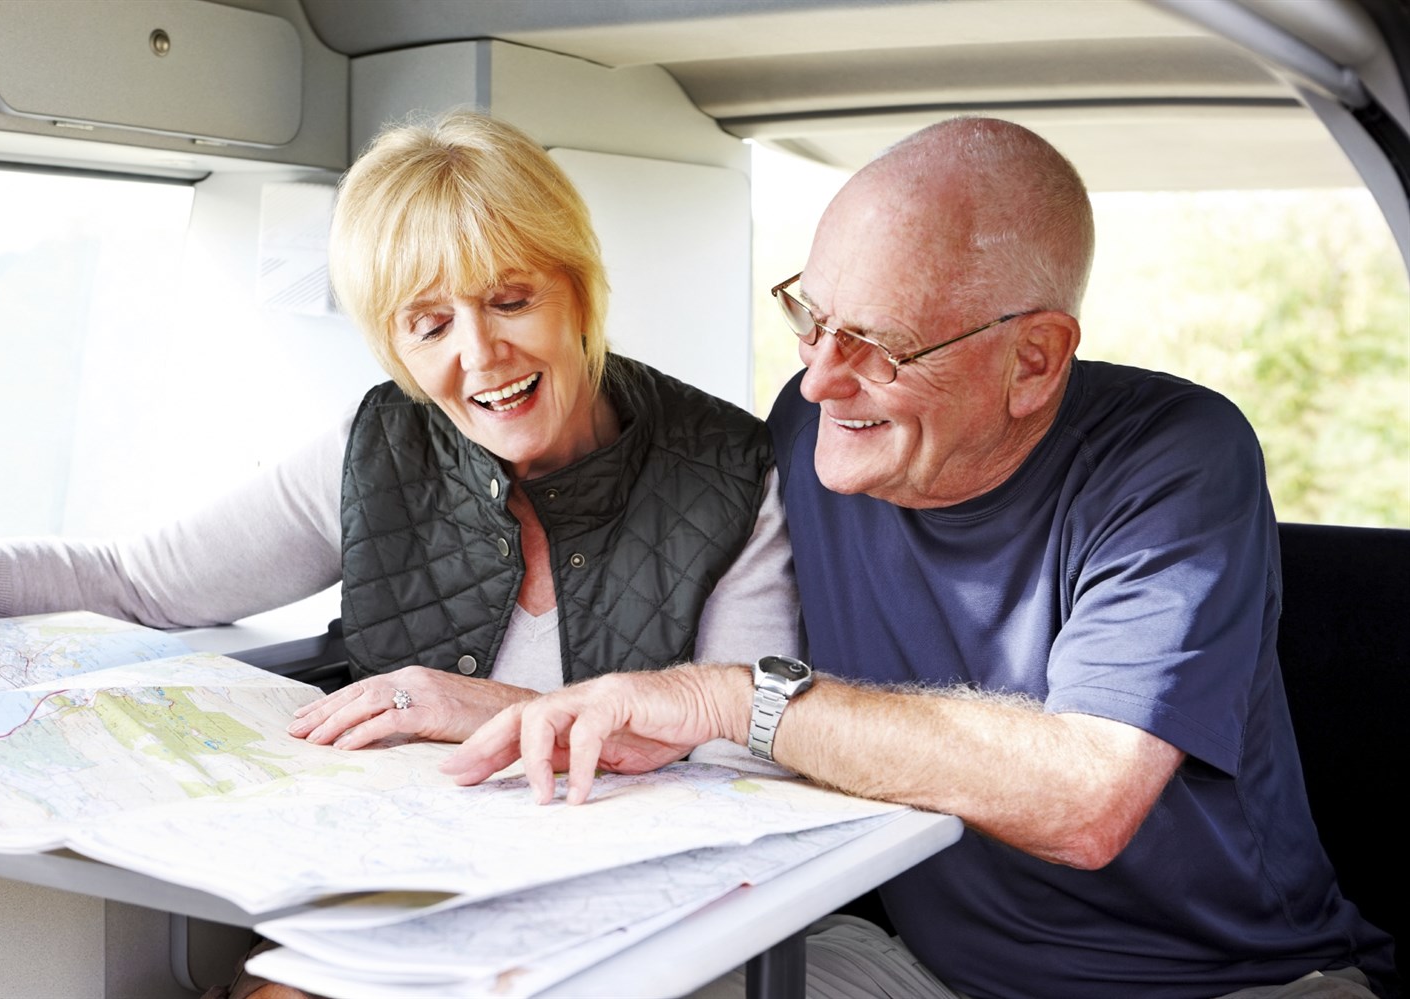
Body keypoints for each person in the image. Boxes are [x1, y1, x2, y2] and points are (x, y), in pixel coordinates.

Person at [443, 116, 1398, 999]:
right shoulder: (814, 434)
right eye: (811, 317)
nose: (819, 378)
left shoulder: (1176, 457)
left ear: (1034, 360)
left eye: (878, 344)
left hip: (1232, 984)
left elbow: (1087, 798)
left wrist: (742, 699)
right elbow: (676, 702)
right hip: (927, 973)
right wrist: (488, 711)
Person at [0, 110, 798, 997]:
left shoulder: (730, 472)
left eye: (511, 300)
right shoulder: (378, 445)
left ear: (579, 289)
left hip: (621, 931)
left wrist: (483, 708)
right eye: (430, 324)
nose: (480, 354)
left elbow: (748, 777)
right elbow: (139, 580)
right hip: (385, 916)